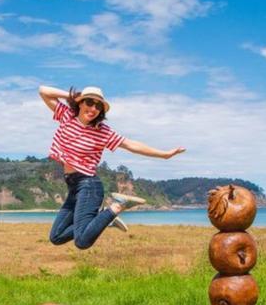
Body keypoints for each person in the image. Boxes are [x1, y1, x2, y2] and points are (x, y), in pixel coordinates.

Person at [39, 85, 186, 249]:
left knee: (81, 241)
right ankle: (104, 219)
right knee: (56, 236)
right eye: (89, 102)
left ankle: (117, 206)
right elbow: (43, 91)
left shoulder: (101, 131)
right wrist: (73, 96)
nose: (93, 108)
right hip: (73, 187)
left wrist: (164, 154)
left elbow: (131, 144)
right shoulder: (67, 116)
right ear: (80, 103)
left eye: (98, 106)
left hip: (88, 186)